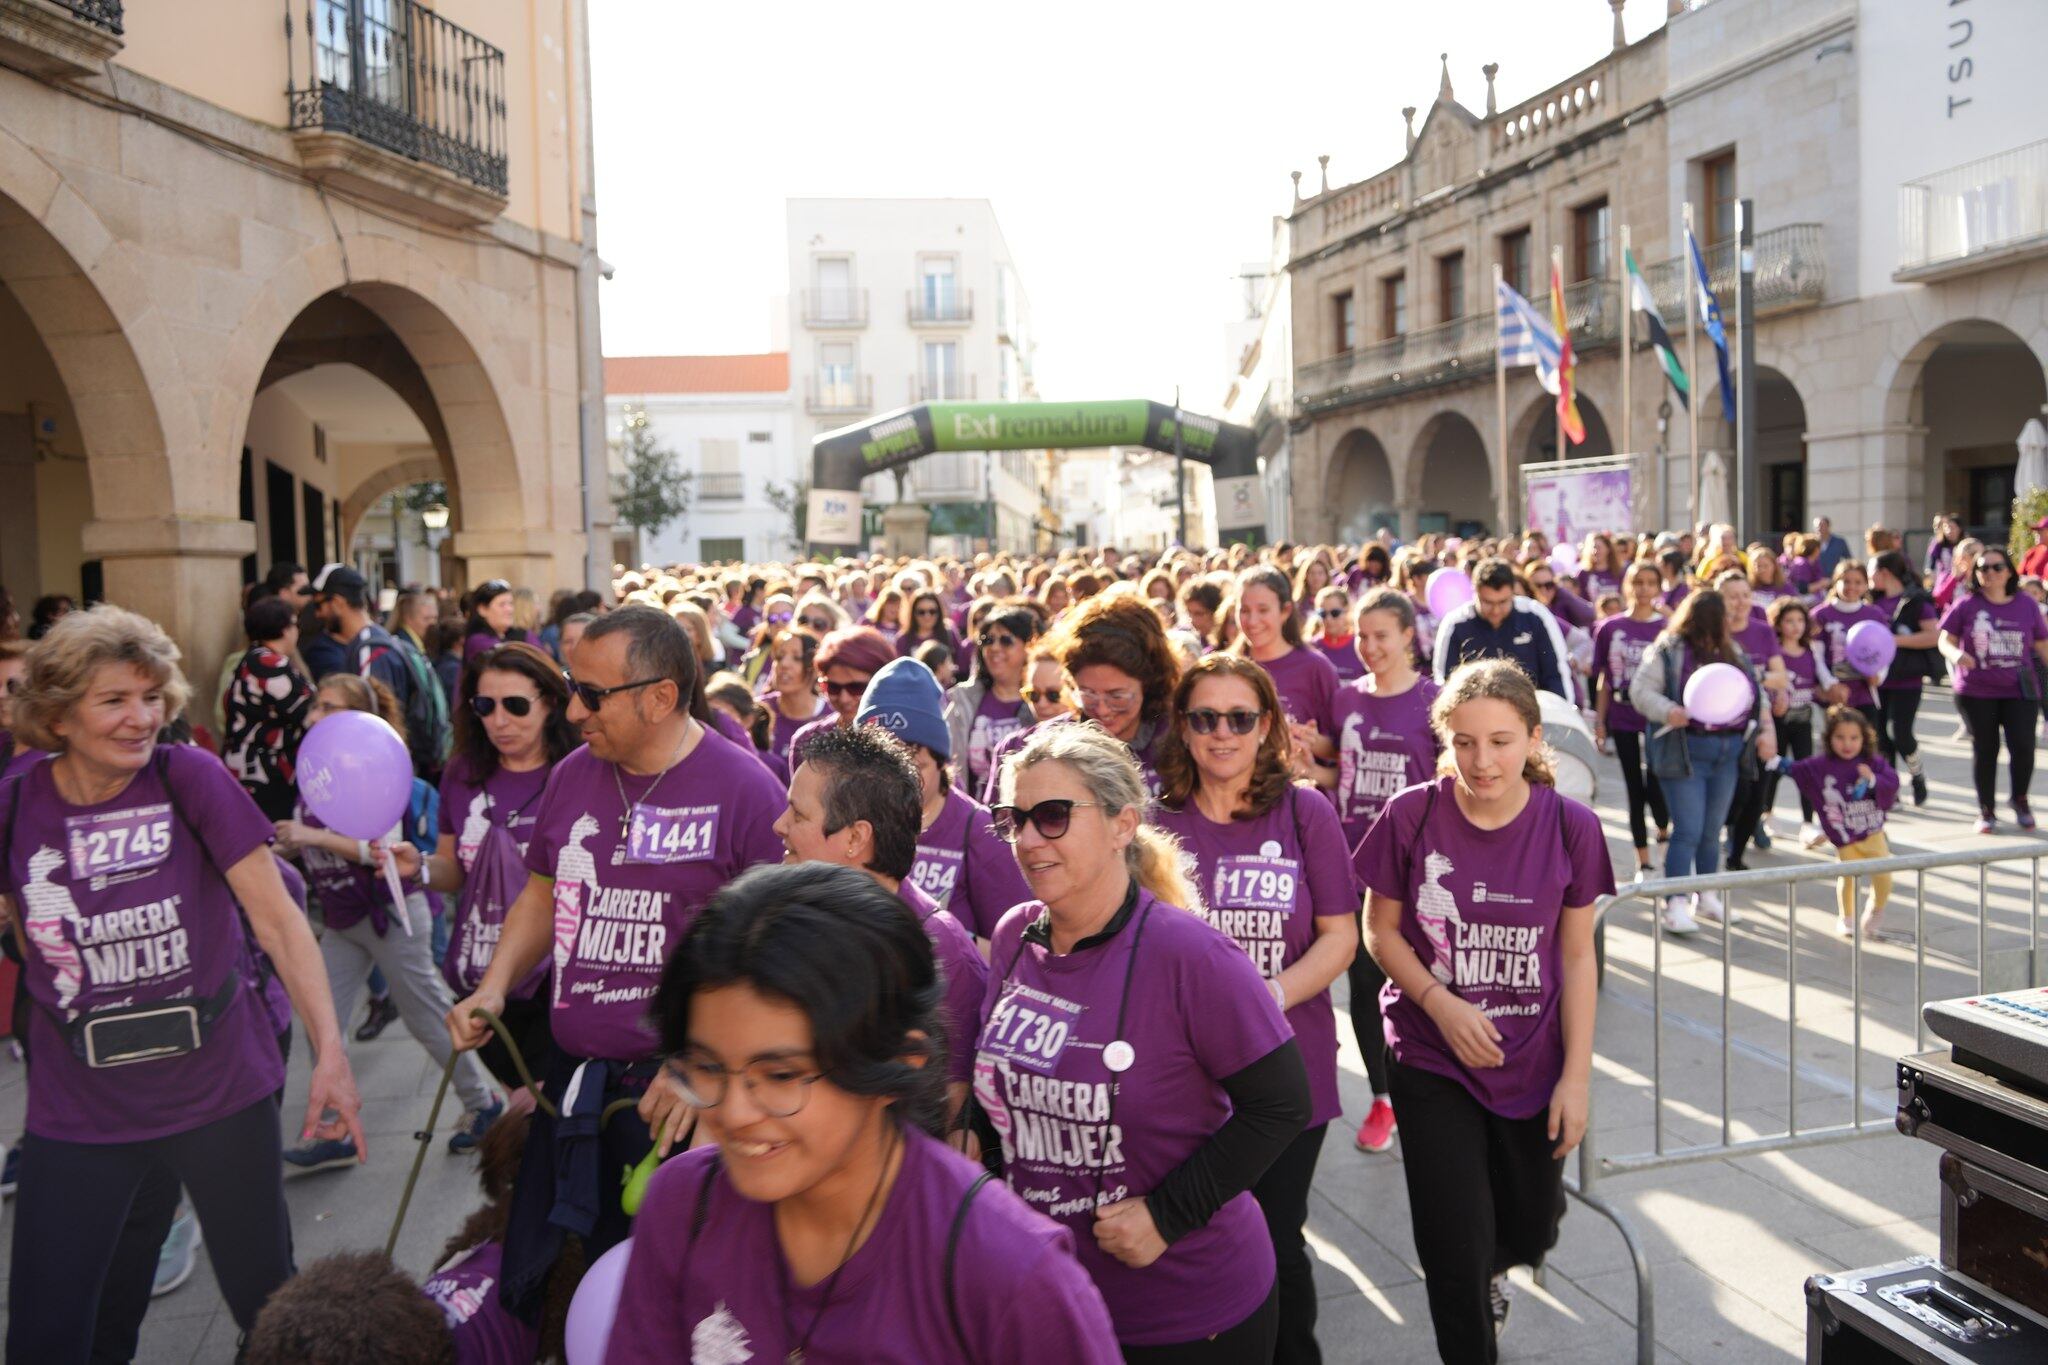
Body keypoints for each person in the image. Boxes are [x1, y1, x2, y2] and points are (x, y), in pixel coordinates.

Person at [1, 606, 365, 1361]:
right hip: (79, 1110)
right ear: (59, 712)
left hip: (217, 1092)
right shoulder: (16, 801)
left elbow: (280, 921)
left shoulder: (187, 776)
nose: (141, 718)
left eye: (152, 695)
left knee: (270, 1307)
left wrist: (330, 1052)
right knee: (51, 1326)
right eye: (114, 700)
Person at [607, 862, 1121, 1362]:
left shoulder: (1007, 1273)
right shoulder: (683, 1208)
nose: (735, 1113)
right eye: (709, 1067)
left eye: (781, 1076)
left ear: (898, 1063)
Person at [444, 605, 788, 1321]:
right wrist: (496, 985)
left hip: (681, 1103)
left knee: (685, 1300)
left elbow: (778, 959)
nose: (573, 710)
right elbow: (541, 894)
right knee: (567, 1280)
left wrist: (702, 1058)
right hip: (576, 1086)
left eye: (592, 694)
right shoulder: (572, 776)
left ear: (660, 697)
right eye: (573, 686)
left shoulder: (749, 792)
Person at [979, 721, 1309, 1359]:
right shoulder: (1013, 936)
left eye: (1050, 816)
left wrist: (1167, 1215)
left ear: (1122, 825)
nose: (1025, 839)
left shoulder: (1192, 956)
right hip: (1053, 1302)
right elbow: (1002, 1066)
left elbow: (1282, 1102)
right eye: (1011, 818)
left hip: (1187, 1313)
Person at [1354, 660, 1611, 1363]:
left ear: (1533, 738)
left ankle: (1497, 1270)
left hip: (1533, 1055)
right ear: (1445, 740)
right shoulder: (1412, 812)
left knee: (1531, 1226)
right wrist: (1440, 1004)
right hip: (1430, 1051)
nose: (1482, 759)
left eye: (1500, 741)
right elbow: (1379, 930)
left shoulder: (1572, 827)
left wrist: (1577, 1077)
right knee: (1452, 1238)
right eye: (1465, 741)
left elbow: (1580, 957)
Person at [1150, 655, 1357, 1365]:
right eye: (1205, 717)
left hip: (1287, 1065)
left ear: (1266, 724)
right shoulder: (1155, 824)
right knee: (1203, 1234)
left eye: (1240, 717)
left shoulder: (1307, 811)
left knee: (1276, 1234)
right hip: (1186, 1077)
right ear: (1184, 726)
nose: (1222, 733)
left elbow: (1341, 935)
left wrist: (1265, 996)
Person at [275, 672, 502, 1170]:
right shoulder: (316, 766)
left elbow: (378, 849)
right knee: (322, 1020)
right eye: (317, 705)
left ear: (357, 717)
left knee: (428, 1017)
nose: (316, 716)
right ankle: (333, 1126)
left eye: (330, 707)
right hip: (342, 919)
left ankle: (484, 1104)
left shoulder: (371, 763)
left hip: (393, 915)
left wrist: (310, 838)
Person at [772, 723, 988, 1121]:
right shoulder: (791, 917)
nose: (779, 825)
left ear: (856, 838)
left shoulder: (940, 953)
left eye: (798, 814)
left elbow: (945, 1116)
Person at [408, 642, 578, 1101]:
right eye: (485, 706)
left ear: (550, 703)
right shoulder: (463, 773)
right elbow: (454, 871)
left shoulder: (581, 772)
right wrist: (419, 868)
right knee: (521, 1105)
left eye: (516, 705)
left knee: (536, 1108)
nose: (499, 720)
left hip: (560, 978)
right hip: (483, 973)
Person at [1321, 588, 1438, 1154]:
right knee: (1365, 985)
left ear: (1408, 638)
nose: (1368, 647)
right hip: (1354, 865)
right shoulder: (1346, 699)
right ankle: (1382, 1098)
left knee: (1423, 984)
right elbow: (1336, 771)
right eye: (1361, 636)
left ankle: (1432, 1089)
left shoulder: (1433, 699)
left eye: (1380, 636)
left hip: (1420, 874)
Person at [1629, 588, 1778, 933]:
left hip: (1726, 751)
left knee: (1713, 829)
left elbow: (1753, 692)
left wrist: (1766, 731)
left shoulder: (1731, 650)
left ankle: (1707, 895)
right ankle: (1674, 902)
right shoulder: (1667, 649)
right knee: (1689, 829)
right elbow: (1640, 691)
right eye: (1722, 616)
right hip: (1684, 751)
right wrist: (1669, 711)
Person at [860, 658, 1034, 943]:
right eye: (877, 765)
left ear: (940, 761)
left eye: (912, 765)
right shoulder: (853, 824)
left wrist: (946, 938)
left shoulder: (981, 833)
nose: (891, 780)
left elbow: (1015, 952)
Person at [983, 586, 1183, 802]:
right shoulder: (1028, 749)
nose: (1103, 709)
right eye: (1088, 693)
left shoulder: (1183, 741)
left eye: (1117, 696)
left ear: (1149, 684)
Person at [1939, 546, 2048, 833]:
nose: (1990, 573)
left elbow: (2042, 644)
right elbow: (1944, 640)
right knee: (1986, 749)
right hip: (1976, 690)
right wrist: (1955, 655)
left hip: (2019, 688)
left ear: (2009, 571)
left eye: (1997, 567)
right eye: (1983, 568)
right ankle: (1986, 810)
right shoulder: (1967, 604)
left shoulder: (2026, 604)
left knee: (2023, 747)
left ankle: (2020, 799)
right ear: (1976, 573)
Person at [314, 564, 445, 779]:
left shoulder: (369, 649)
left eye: (321, 605)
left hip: (384, 771)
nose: (318, 614)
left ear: (337, 603)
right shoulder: (379, 639)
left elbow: (370, 722)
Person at [1787, 707, 1901, 940]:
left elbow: (1892, 781)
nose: (1847, 744)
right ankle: (1846, 917)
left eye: (1854, 738)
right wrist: (1774, 762)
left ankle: (1876, 909)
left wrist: (1872, 779)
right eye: (1840, 737)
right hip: (1845, 835)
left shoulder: (1873, 762)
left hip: (1872, 833)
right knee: (1847, 877)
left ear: (1864, 738)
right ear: (1829, 738)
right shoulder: (1822, 765)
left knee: (1884, 877)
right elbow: (1800, 770)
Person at [1593, 562, 1672, 879]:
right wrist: (1600, 721)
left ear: (1659, 587)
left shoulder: (1667, 628)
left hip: (1656, 717)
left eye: (1651, 582)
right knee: (1633, 790)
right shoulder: (1611, 628)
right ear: (1627, 586)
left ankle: (1664, 840)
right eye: (1638, 582)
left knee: (1657, 784)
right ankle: (1644, 861)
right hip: (1623, 716)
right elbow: (1604, 680)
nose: (1644, 589)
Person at [1232, 565, 1342, 772]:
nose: (1253, 621)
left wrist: (1309, 741)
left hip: (1296, 794)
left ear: (1285, 611)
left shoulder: (1316, 667)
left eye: (1263, 610)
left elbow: (1340, 748)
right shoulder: (1227, 668)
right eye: (1244, 611)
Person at [1716, 570, 1788, 873]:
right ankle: (1723, 837)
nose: (1741, 602)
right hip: (1722, 727)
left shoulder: (1762, 631)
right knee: (1733, 794)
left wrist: (1751, 675)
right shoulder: (1714, 633)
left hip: (1761, 725)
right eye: (1733, 596)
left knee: (1756, 794)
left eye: (1745, 595)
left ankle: (1736, 854)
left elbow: (1780, 675)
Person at [222, 594, 315, 821]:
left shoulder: (253, 658)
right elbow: (308, 712)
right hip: (264, 770)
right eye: (295, 624)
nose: (298, 631)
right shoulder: (269, 663)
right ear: (283, 629)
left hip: (251, 766)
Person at [1766, 596, 1847, 849]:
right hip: (1778, 721)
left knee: (1807, 771)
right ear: (1778, 624)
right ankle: (1767, 814)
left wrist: (1832, 686)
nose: (1796, 625)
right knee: (1773, 770)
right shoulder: (1775, 651)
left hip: (1803, 720)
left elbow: (1821, 673)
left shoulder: (1812, 649)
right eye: (1789, 620)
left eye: (1800, 620)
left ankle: (1807, 823)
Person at [1432, 557, 1571, 701]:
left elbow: (1556, 675)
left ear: (1513, 592)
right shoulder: (1455, 624)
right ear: (1475, 592)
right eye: (1487, 602)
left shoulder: (1535, 616)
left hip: (1532, 713)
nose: (1496, 610)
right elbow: (1445, 683)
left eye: (1503, 602)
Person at [943, 601, 1039, 797]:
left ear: (1029, 646)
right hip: (978, 820)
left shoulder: (1045, 701)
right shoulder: (964, 701)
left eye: (1006, 640)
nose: (995, 648)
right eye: (987, 640)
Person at [1870, 550, 1940, 806]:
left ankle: (1917, 774)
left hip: (1906, 678)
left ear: (1884, 573)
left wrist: (1894, 640)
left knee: (1900, 732)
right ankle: (1891, 788)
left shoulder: (1916, 600)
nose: (1869, 578)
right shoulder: (1871, 601)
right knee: (1879, 736)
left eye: (1871, 572)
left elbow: (1933, 636)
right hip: (1876, 680)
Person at [789, 625, 895, 765]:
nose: (844, 698)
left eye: (856, 687)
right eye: (833, 687)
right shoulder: (807, 740)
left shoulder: (903, 736)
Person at [1811, 560, 1891, 735]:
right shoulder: (1820, 614)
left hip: (1864, 694)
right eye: (1846, 581)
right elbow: (1815, 655)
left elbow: (1884, 652)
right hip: (1832, 696)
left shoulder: (1874, 614)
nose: (1851, 587)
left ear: (1866, 585)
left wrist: (1878, 676)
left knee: (1866, 747)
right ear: (1836, 582)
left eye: (1858, 582)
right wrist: (1830, 684)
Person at [1308, 584, 1366, 682]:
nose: (1328, 619)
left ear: (1347, 610)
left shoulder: (1361, 644)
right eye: (1322, 614)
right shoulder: (1310, 647)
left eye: (1335, 613)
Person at [462, 579, 527, 663]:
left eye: (511, 603)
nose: (509, 609)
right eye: (502, 604)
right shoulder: (479, 642)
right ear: (482, 609)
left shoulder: (514, 635)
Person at [1926, 512, 1963, 584]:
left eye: (1953, 528)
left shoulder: (1965, 544)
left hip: (1961, 583)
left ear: (1959, 529)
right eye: (1947, 527)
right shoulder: (1938, 544)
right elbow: (1931, 567)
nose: (1949, 531)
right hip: (1943, 583)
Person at [1812, 515, 1852, 580]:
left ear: (1828, 526)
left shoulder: (1839, 542)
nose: (1819, 528)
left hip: (1834, 579)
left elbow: (1849, 560)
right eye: (1816, 527)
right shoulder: (1811, 543)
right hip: (1816, 581)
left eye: (1821, 525)